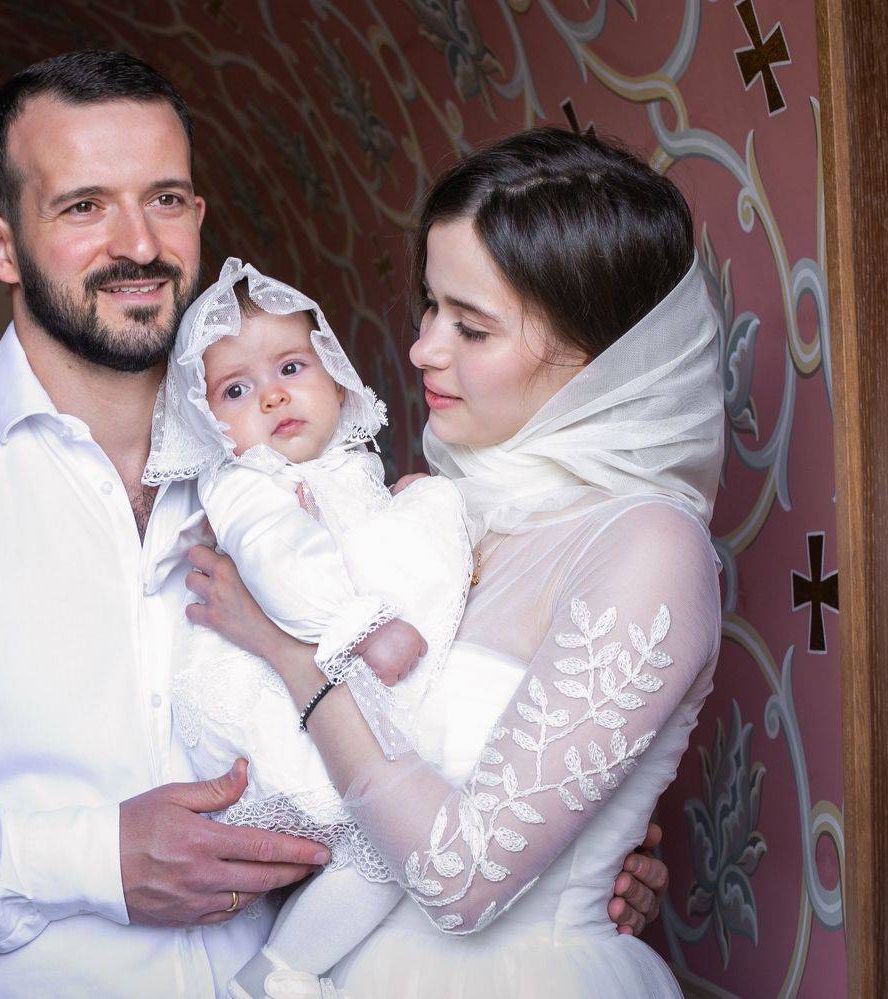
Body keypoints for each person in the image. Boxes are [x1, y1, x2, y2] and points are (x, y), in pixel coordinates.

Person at [0, 52, 669, 998]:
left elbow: (432, 711)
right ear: (1, 245)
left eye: (166, 199)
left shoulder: (317, 466)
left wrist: (571, 844)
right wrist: (93, 859)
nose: (139, 243)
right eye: (84, 206)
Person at [186, 127, 723, 997]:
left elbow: (462, 877)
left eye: (470, 326)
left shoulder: (648, 546)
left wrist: (293, 655)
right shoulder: (441, 510)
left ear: (598, 353)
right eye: (430, 307)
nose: (424, 349)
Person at [150, 258, 473, 994]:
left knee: (388, 845)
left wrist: (404, 507)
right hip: (266, 718)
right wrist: (362, 626)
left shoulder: (344, 468)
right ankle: (276, 976)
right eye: (235, 390)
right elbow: (280, 560)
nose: (271, 395)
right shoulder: (245, 483)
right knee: (385, 849)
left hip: (322, 699)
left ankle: (283, 971)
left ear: (335, 376)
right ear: (207, 423)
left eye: (291, 367)